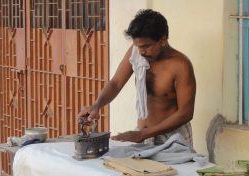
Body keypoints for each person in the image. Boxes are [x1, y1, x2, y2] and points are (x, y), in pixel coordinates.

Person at [78, 9, 196, 146]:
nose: (141, 52)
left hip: (172, 139)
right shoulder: (136, 53)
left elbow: (185, 113)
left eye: (146, 46)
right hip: (142, 135)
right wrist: (97, 105)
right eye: (137, 46)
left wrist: (142, 134)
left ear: (162, 41)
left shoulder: (180, 65)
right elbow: (115, 83)